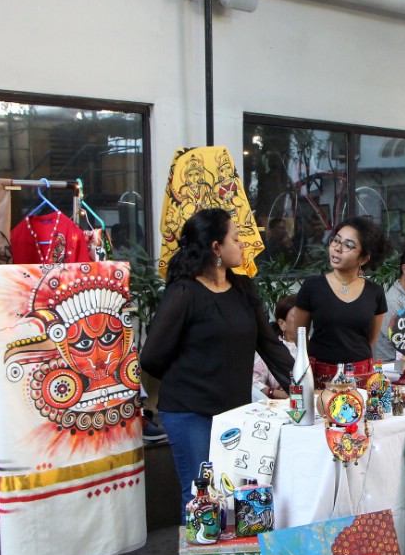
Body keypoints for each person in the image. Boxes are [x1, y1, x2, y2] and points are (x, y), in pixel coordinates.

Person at [140, 208, 292, 509]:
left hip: (235, 412)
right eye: (236, 238)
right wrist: (194, 375)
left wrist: (305, 384)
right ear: (216, 248)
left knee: (236, 492)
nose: (243, 245)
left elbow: (269, 345)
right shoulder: (184, 292)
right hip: (189, 412)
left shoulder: (242, 287)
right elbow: (152, 357)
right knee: (202, 496)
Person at [289, 216, 389, 386]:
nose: (337, 248)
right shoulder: (312, 287)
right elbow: (299, 335)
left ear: (364, 258)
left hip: (361, 375)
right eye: (336, 240)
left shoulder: (375, 292)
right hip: (320, 374)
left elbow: (368, 339)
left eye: (348, 245)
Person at [252, 295, 297, 400]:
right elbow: (253, 382)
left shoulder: (315, 346)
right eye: (297, 316)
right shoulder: (271, 349)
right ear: (282, 324)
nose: (303, 320)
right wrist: (278, 393)